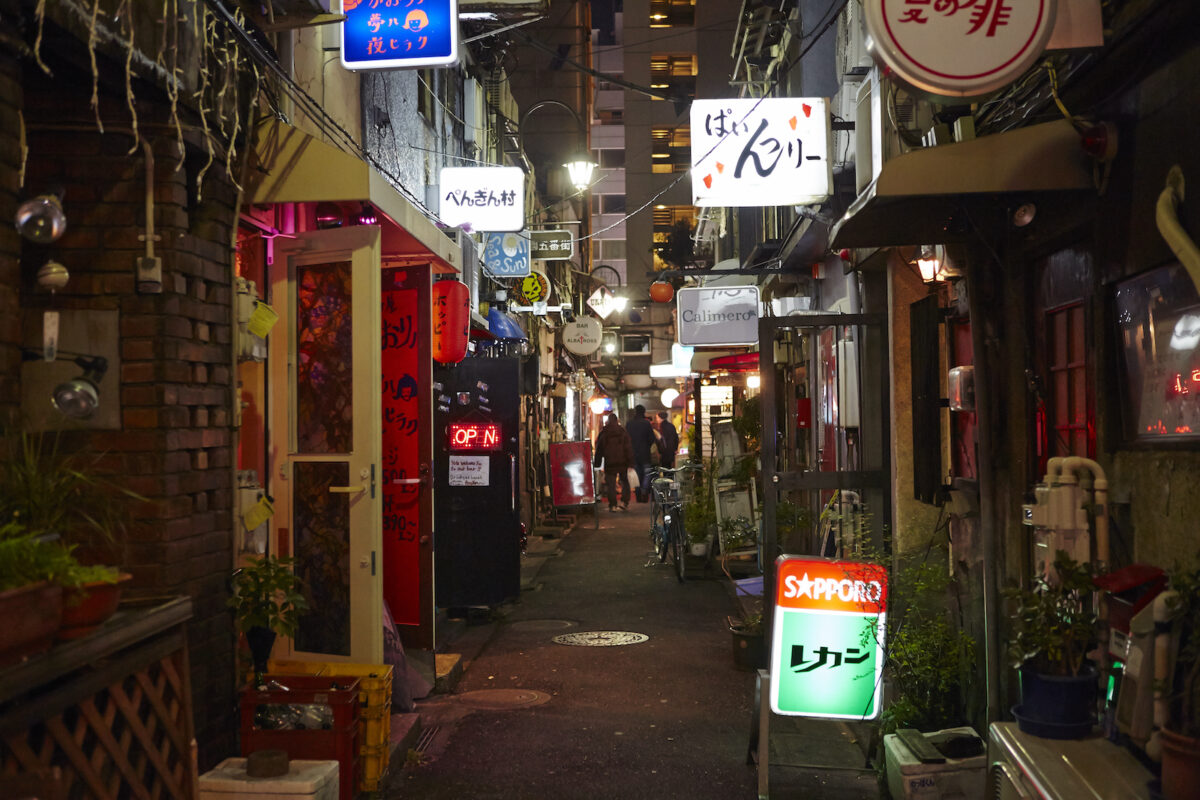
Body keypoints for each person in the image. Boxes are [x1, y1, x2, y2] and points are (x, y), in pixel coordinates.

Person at [593, 413, 634, 511]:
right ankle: (625, 502)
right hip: (622, 461)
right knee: (624, 481)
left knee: (611, 484)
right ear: (617, 421)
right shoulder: (622, 432)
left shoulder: (604, 432)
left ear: (608, 421)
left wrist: (597, 463)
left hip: (610, 462)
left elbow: (599, 449)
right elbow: (628, 448)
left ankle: (613, 505)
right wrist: (630, 462)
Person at [625, 404, 657, 503]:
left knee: (637, 475)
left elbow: (626, 439)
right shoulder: (646, 424)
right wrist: (646, 445)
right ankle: (644, 491)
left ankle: (638, 494)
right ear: (643, 412)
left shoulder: (629, 424)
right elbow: (652, 438)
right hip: (645, 454)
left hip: (633, 454)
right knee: (647, 473)